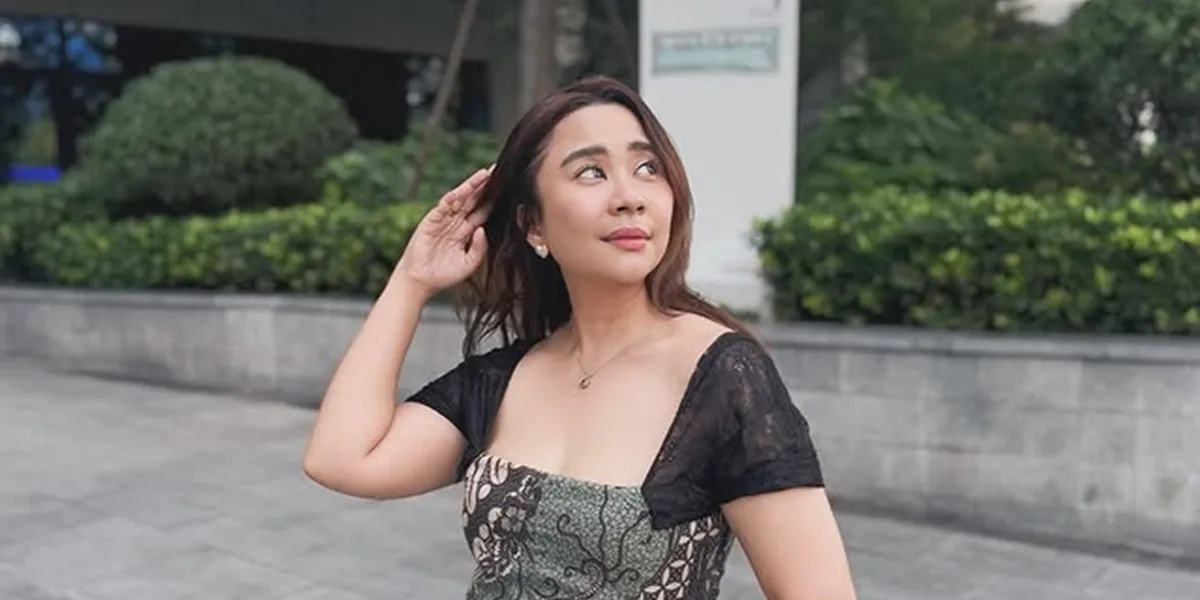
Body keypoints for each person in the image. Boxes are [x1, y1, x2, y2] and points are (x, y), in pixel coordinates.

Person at [303, 75, 857, 600]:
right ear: (533, 224)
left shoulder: (720, 375)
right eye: (591, 172)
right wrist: (412, 279)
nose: (629, 196)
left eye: (647, 167)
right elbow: (342, 458)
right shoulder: (506, 376)